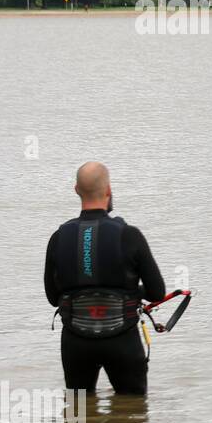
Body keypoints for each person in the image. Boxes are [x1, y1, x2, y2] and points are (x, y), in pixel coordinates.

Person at [44, 162, 165, 394]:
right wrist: (128, 292)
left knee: (78, 413)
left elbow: (52, 297)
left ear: (76, 190)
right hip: (123, 339)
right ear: (108, 190)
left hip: (76, 341)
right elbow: (157, 292)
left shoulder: (58, 238)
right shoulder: (130, 235)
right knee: (132, 413)